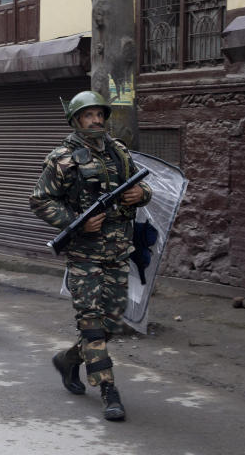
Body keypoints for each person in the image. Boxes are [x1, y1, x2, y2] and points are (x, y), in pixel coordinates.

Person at [29, 91, 153, 422]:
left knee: (111, 322)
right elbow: (40, 200)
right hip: (84, 254)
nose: (96, 120)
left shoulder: (120, 152)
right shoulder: (62, 159)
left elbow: (142, 191)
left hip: (117, 252)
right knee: (92, 324)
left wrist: (142, 194)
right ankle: (108, 390)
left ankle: (68, 360)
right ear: (75, 120)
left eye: (99, 114)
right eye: (88, 115)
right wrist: (74, 223)